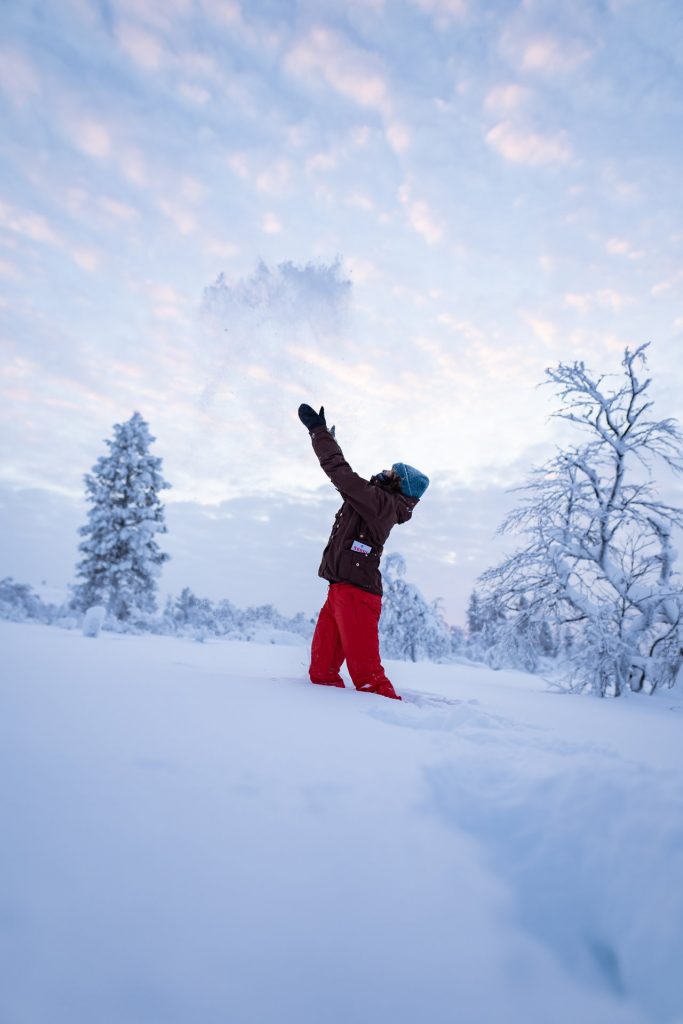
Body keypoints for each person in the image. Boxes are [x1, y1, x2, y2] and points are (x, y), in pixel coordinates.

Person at [298, 403, 430, 700]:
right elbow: (351, 482)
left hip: (358, 595)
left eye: (390, 472)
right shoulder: (375, 499)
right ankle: (330, 721)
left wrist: (318, 434)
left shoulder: (381, 504)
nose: (382, 471)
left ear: (399, 484)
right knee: (321, 673)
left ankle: (390, 726)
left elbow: (341, 474)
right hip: (339, 591)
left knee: (368, 678)